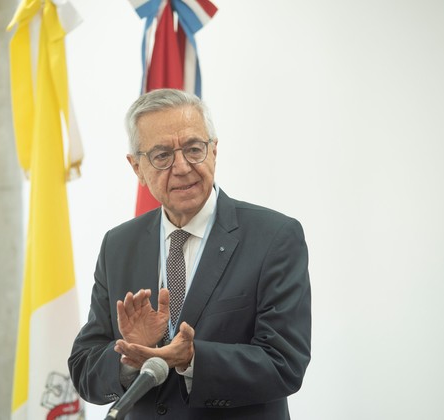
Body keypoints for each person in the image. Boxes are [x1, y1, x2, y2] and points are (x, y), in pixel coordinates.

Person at [68, 88, 311, 419]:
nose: (182, 167)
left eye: (194, 149)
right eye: (162, 155)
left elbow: (285, 363)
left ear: (214, 151)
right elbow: (84, 367)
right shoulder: (118, 245)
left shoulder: (274, 237)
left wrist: (192, 358)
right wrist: (130, 356)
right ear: (137, 168)